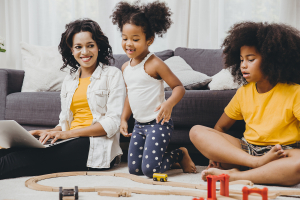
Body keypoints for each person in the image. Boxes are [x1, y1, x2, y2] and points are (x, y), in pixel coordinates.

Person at [0, 19, 126, 179]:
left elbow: (112, 124)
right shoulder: (70, 80)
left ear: (98, 46)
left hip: (94, 145)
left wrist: (68, 135)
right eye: (78, 47)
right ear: (71, 50)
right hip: (70, 139)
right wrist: (49, 132)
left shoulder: (112, 75)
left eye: (90, 45)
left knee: (12, 161)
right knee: (7, 151)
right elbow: (65, 123)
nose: (85, 52)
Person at [189, 21, 300, 186]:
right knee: (196, 131)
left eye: (251, 59)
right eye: (241, 60)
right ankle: (255, 165)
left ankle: (235, 176)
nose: (243, 65)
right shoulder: (243, 92)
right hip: (246, 152)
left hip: (282, 153)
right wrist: (216, 155)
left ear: (271, 60)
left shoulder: (295, 91)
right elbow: (220, 128)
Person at [111, 1, 196, 178]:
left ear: (149, 40)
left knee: (150, 171)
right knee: (134, 169)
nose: (129, 43)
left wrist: (169, 104)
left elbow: (179, 87)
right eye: (125, 38)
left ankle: (179, 154)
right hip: (140, 125)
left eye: (135, 39)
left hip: (159, 124)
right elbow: (130, 95)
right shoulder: (125, 67)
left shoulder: (154, 63)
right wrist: (124, 118)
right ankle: (169, 156)